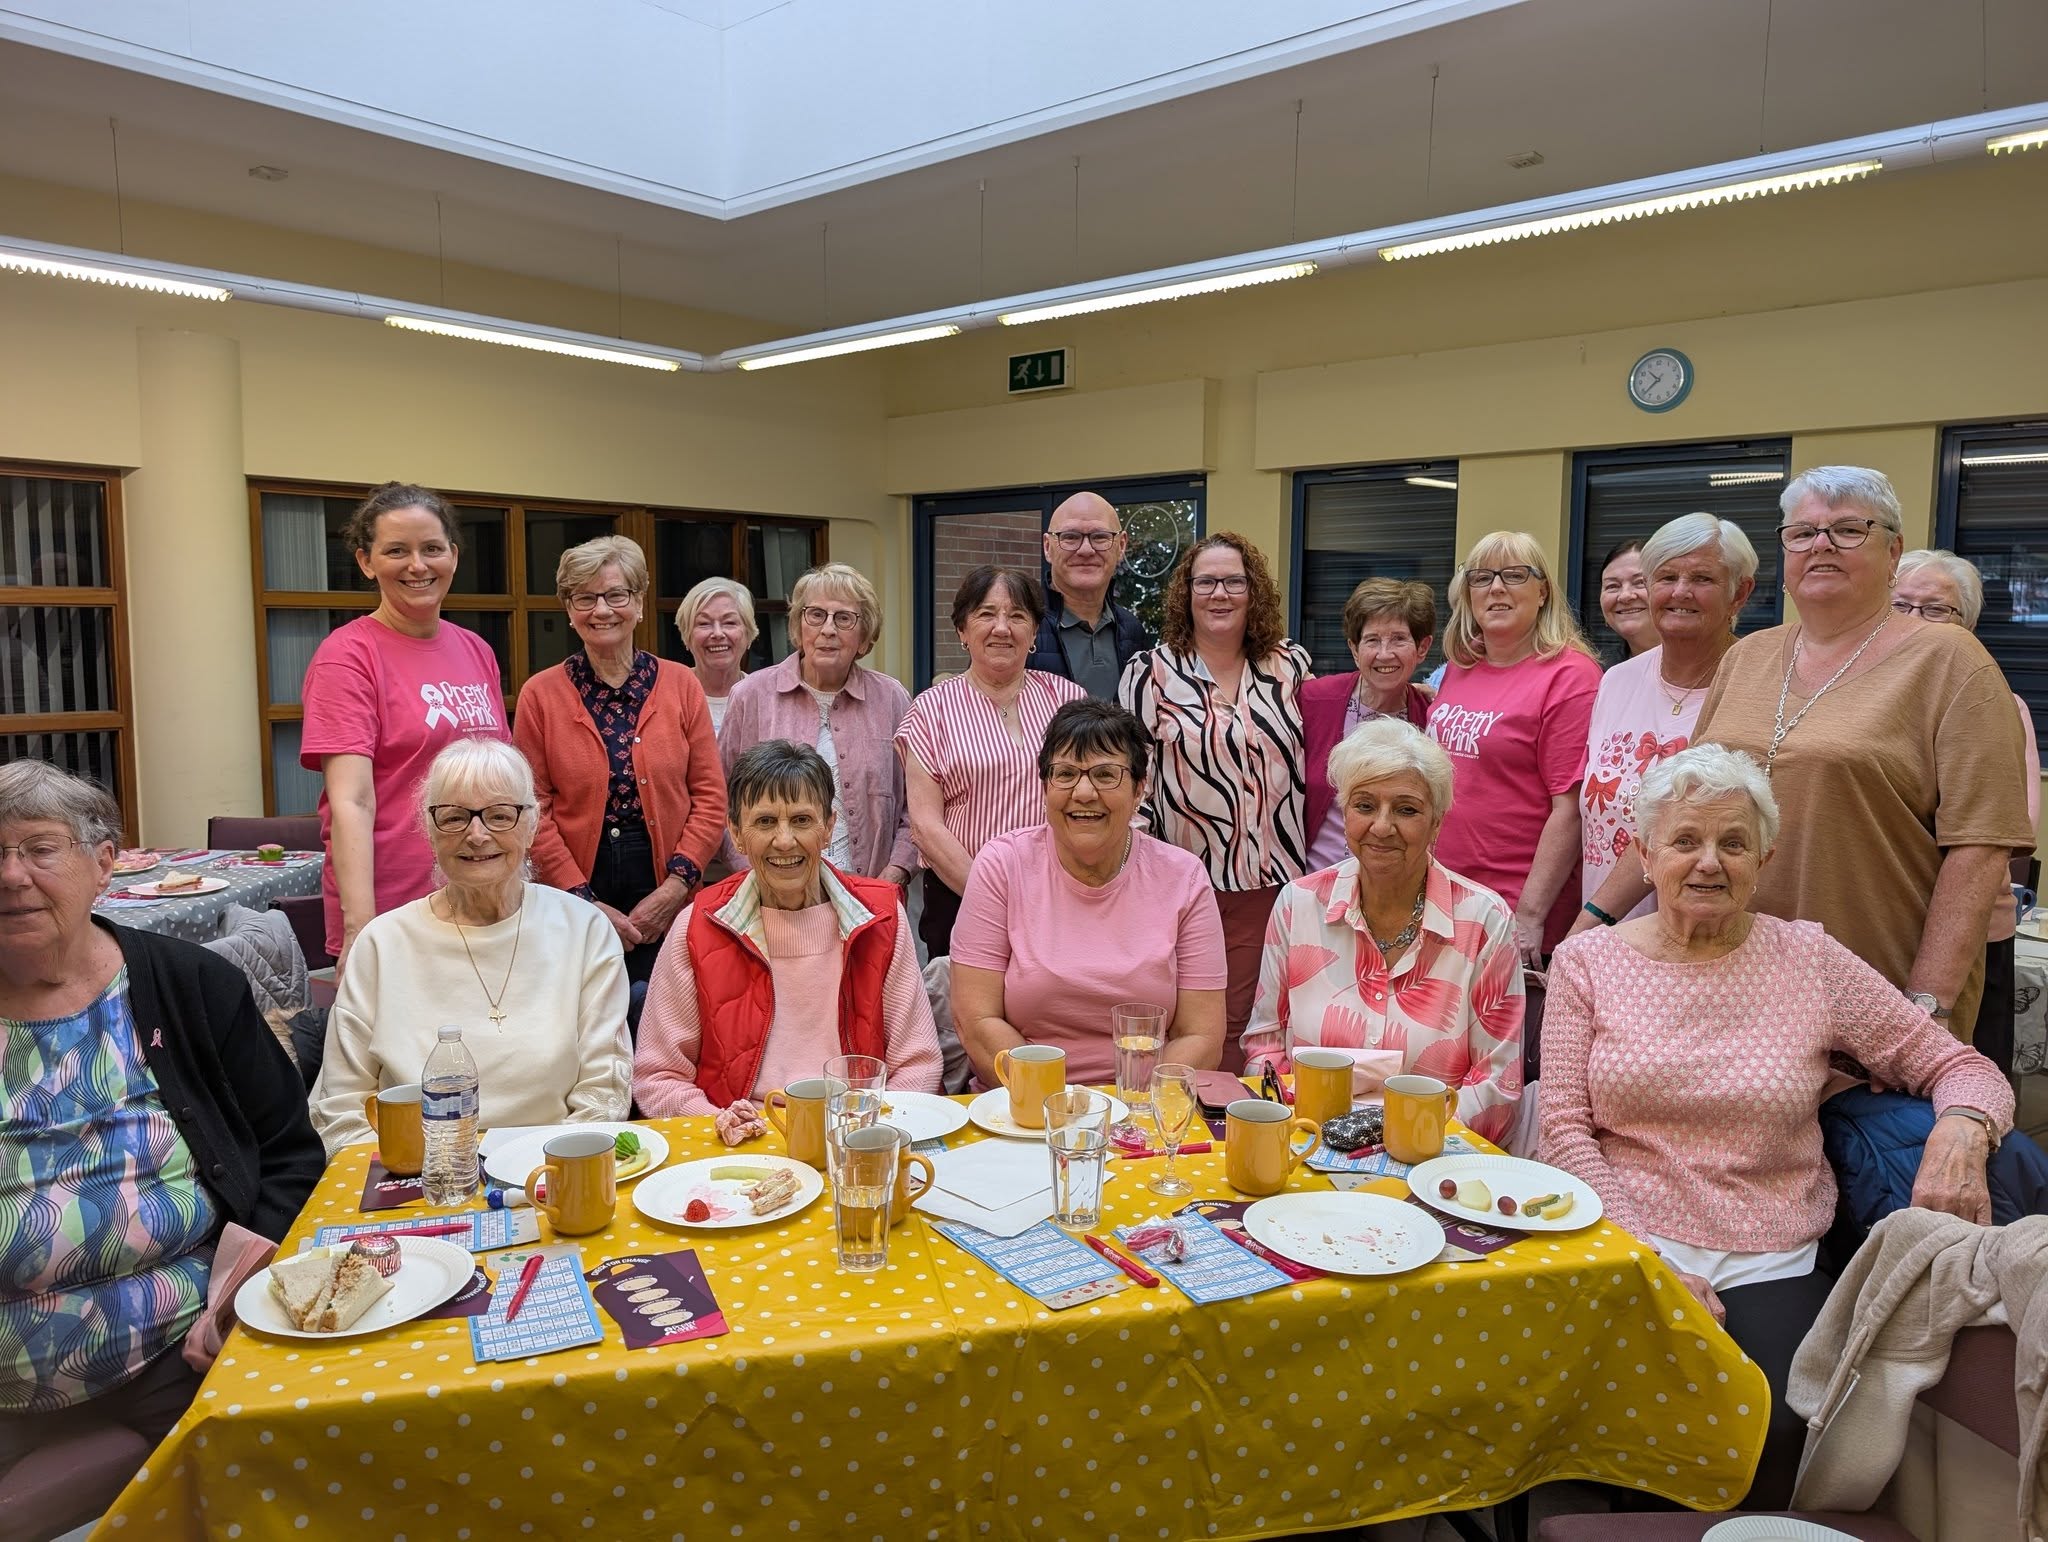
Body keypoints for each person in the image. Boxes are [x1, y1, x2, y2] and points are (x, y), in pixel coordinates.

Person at [1540, 744, 2012, 1507]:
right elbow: (1562, 1128)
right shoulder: (1589, 962)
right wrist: (1646, 1258)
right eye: (1686, 840)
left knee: (1773, 1427)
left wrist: (1961, 1129)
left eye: (1733, 842)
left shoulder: (1808, 958)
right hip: (1625, 1240)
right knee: (1623, 1432)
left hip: (1772, 1251)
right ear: (1644, 851)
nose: (1708, 863)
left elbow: (1960, 1066)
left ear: (1764, 856)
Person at [0, 762, 323, 1494]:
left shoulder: (189, 987)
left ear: (104, 862)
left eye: (39, 848)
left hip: (186, 1346)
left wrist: (244, 1293)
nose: (12, 875)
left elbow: (289, 1155)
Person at [1685, 467, 2032, 1040]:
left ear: (1893, 550)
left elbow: (1980, 847)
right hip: (1726, 979)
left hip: (1873, 995)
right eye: (1802, 533)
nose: (1820, 544)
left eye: (1848, 529)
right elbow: (1687, 803)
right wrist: (1598, 921)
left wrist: (1925, 1008)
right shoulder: (1747, 657)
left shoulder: (1952, 662)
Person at [310, 739, 631, 1152]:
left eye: (500, 816)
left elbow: (604, 1091)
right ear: (428, 829)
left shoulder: (584, 930)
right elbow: (339, 1109)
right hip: (414, 1182)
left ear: (532, 825)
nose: (477, 835)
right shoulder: (382, 944)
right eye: (454, 817)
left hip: (549, 1175)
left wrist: (552, 1174)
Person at [634, 741, 942, 1130]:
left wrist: (865, 1130)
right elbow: (656, 1077)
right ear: (736, 832)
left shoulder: (881, 918)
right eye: (764, 822)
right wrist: (718, 1121)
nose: (784, 840)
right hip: (741, 1143)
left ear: (828, 827)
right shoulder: (697, 925)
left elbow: (918, 1064)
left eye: (801, 820)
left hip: (858, 1134)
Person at [1242, 719, 1523, 1145]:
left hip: (1433, 1160)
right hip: (1307, 1150)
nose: (1382, 826)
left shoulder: (1485, 922)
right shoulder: (1298, 905)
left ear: (1436, 822)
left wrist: (1383, 1137)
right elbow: (1264, 1051)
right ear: (1344, 812)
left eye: (1407, 809)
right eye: (1365, 805)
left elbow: (1497, 1088)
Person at [950, 699, 1226, 1086]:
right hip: (1023, 1107)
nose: (1083, 792)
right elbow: (977, 1023)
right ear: (1044, 786)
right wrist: (1063, 1110)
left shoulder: (1183, 878)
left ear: (1139, 789)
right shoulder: (1003, 865)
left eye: (1105, 775)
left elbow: (1203, 1036)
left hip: (1145, 1109)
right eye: (1065, 774)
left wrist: (1128, 1110)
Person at [1120, 533, 1312, 1070]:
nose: (1220, 593)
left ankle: (1247, 1127)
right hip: (1188, 880)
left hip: (1274, 883)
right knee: (1195, 1018)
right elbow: (1136, 781)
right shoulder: (1150, 673)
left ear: (1254, 593)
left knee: (1265, 1020)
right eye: (1206, 582)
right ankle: (1192, 1127)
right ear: (1187, 593)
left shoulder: (1289, 667)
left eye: (1234, 581)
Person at [301, 482, 509, 975]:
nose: (418, 565)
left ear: (453, 556)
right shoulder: (347, 656)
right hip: (397, 909)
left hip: (482, 896)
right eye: (397, 551)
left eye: (431, 549)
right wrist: (361, 926)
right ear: (366, 562)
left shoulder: (476, 650)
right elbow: (352, 800)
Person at [513, 536, 725, 1005]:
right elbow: (532, 809)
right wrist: (581, 901)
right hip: (573, 884)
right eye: (584, 598)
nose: (601, 609)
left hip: (668, 876)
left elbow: (710, 796)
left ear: (639, 603)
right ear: (569, 609)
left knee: (667, 1015)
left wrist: (675, 889)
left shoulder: (681, 684)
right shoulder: (540, 694)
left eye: (616, 595)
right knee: (582, 1014)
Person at [1893, 547, 2042, 1071]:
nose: (1914, 622)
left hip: (1968, 931)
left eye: (1936, 610)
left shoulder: (1994, 701)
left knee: (1966, 1077)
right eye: (1900, 606)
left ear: (1969, 627)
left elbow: (2005, 827)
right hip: (1880, 923)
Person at [1573, 514, 1758, 930]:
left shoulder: (1756, 687)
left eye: (1702, 579)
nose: (1680, 592)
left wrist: (1590, 923)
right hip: (1609, 943)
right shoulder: (1616, 681)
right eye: (1665, 577)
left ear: (1739, 593)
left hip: (1701, 939)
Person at [1425, 531, 1601, 963]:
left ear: (1542, 591)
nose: (1497, 587)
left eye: (1515, 575)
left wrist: (1529, 915)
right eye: (1482, 577)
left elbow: (1571, 808)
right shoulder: (1460, 669)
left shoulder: (1570, 676)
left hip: (1512, 906)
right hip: (1444, 893)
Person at [897, 567, 1087, 959]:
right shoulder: (930, 710)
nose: (1002, 627)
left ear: (1034, 634)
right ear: (962, 631)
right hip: (961, 900)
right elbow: (925, 827)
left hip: (1063, 897)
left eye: (1017, 616)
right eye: (986, 614)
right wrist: (995, 897)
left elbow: (1093, 795)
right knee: (970, 1017)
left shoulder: (1068, 701)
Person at [719, 562, 914, 886]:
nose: (828, 629)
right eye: (816, 615)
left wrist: (893, 878)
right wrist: (754, 876)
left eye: (844, 618)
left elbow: (914, 807)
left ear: (864, 636)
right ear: (798, 626)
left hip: (872, 893)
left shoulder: (891, 698)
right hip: (772, 892)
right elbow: (720, 799)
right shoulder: (751, 696)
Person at [1301, 578, 1435, 874]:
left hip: (1395, 888)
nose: (1384, 654)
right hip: (1316, 882)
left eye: (1399, 639)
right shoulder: (1313, 701)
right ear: (1353, 648)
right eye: (1372, 640)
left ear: (1422, 647)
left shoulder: (1432, 717)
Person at [1026, 491, 1151, 699]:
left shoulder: (1133, 632)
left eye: (1100, 537)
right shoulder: (1020, 628)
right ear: (1048, 547)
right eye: (1070, 537)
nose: (1086, 550)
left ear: (1121, 546)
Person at [677, 577, 757, 735]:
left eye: (729, 623)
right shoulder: (669, 696)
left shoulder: (764, 698)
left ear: (748, 634)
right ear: (687, 636)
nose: (718, 633)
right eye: (704, 623)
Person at [1597, 538, 1655, 660]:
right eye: (1612, 586)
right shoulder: (1599, 673)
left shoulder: (1703, 664)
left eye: (1639, 582)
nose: (1625, 596)